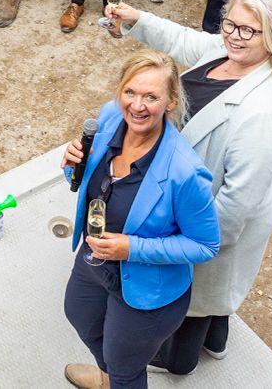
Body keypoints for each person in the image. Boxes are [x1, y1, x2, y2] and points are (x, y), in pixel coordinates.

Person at [107, 0, 272, 377]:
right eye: (231, 24)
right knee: (217, 294)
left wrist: (187, 241)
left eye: (249, 30)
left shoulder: (262, 112)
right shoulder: (226, 53)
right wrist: (137, 21)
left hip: (212, 214)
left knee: (197, 293)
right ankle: (216, 341)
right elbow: (182, 39)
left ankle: (177, 361)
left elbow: (234, 205)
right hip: (196, 194)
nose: (234, 35)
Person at [59, 51, 221, 389]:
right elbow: (89, 181)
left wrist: (131, 248)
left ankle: (117, 377)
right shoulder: (108, 118)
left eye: (151, 97)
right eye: (130, 92)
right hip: (96, 259)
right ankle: (108, 377)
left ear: (171, 102)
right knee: (79, 313)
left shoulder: (185, 172)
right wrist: (71, 165)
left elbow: (205, 245)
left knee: (126, 365)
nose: (137, 106)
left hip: (148, 288)